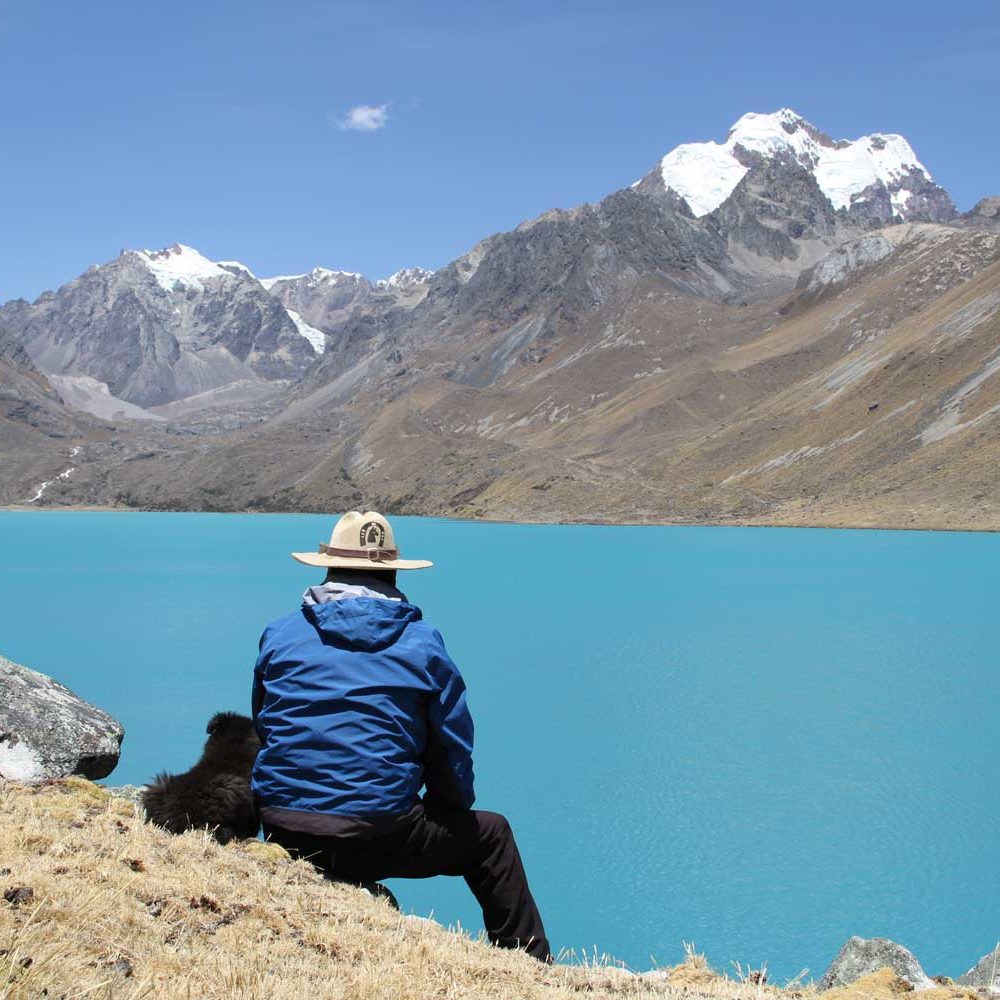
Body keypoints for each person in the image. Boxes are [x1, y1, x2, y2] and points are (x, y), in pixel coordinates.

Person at [251, 510, 551, 962]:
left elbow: (266, 723)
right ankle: (531, 966)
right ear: (392, 572)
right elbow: (451, 746)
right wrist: (450, 805)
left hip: (284, 828)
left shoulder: (280, 634)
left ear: (326, 567)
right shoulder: (422, 643)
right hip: (378, 838)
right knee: (491, 835)